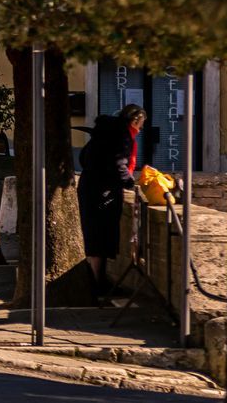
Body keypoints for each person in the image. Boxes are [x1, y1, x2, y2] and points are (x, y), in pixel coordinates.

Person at [76, 103, 145, 304]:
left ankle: (98, 281)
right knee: (101, 237)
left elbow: (83, 157)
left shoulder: (103, 134)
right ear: (134, 121)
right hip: (103, 193)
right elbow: (119, 163)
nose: (140, 130)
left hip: (90, 188)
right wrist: (129, 183)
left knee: (96, 237)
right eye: (140, 125)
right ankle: (98, 284)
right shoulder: (121, 136)